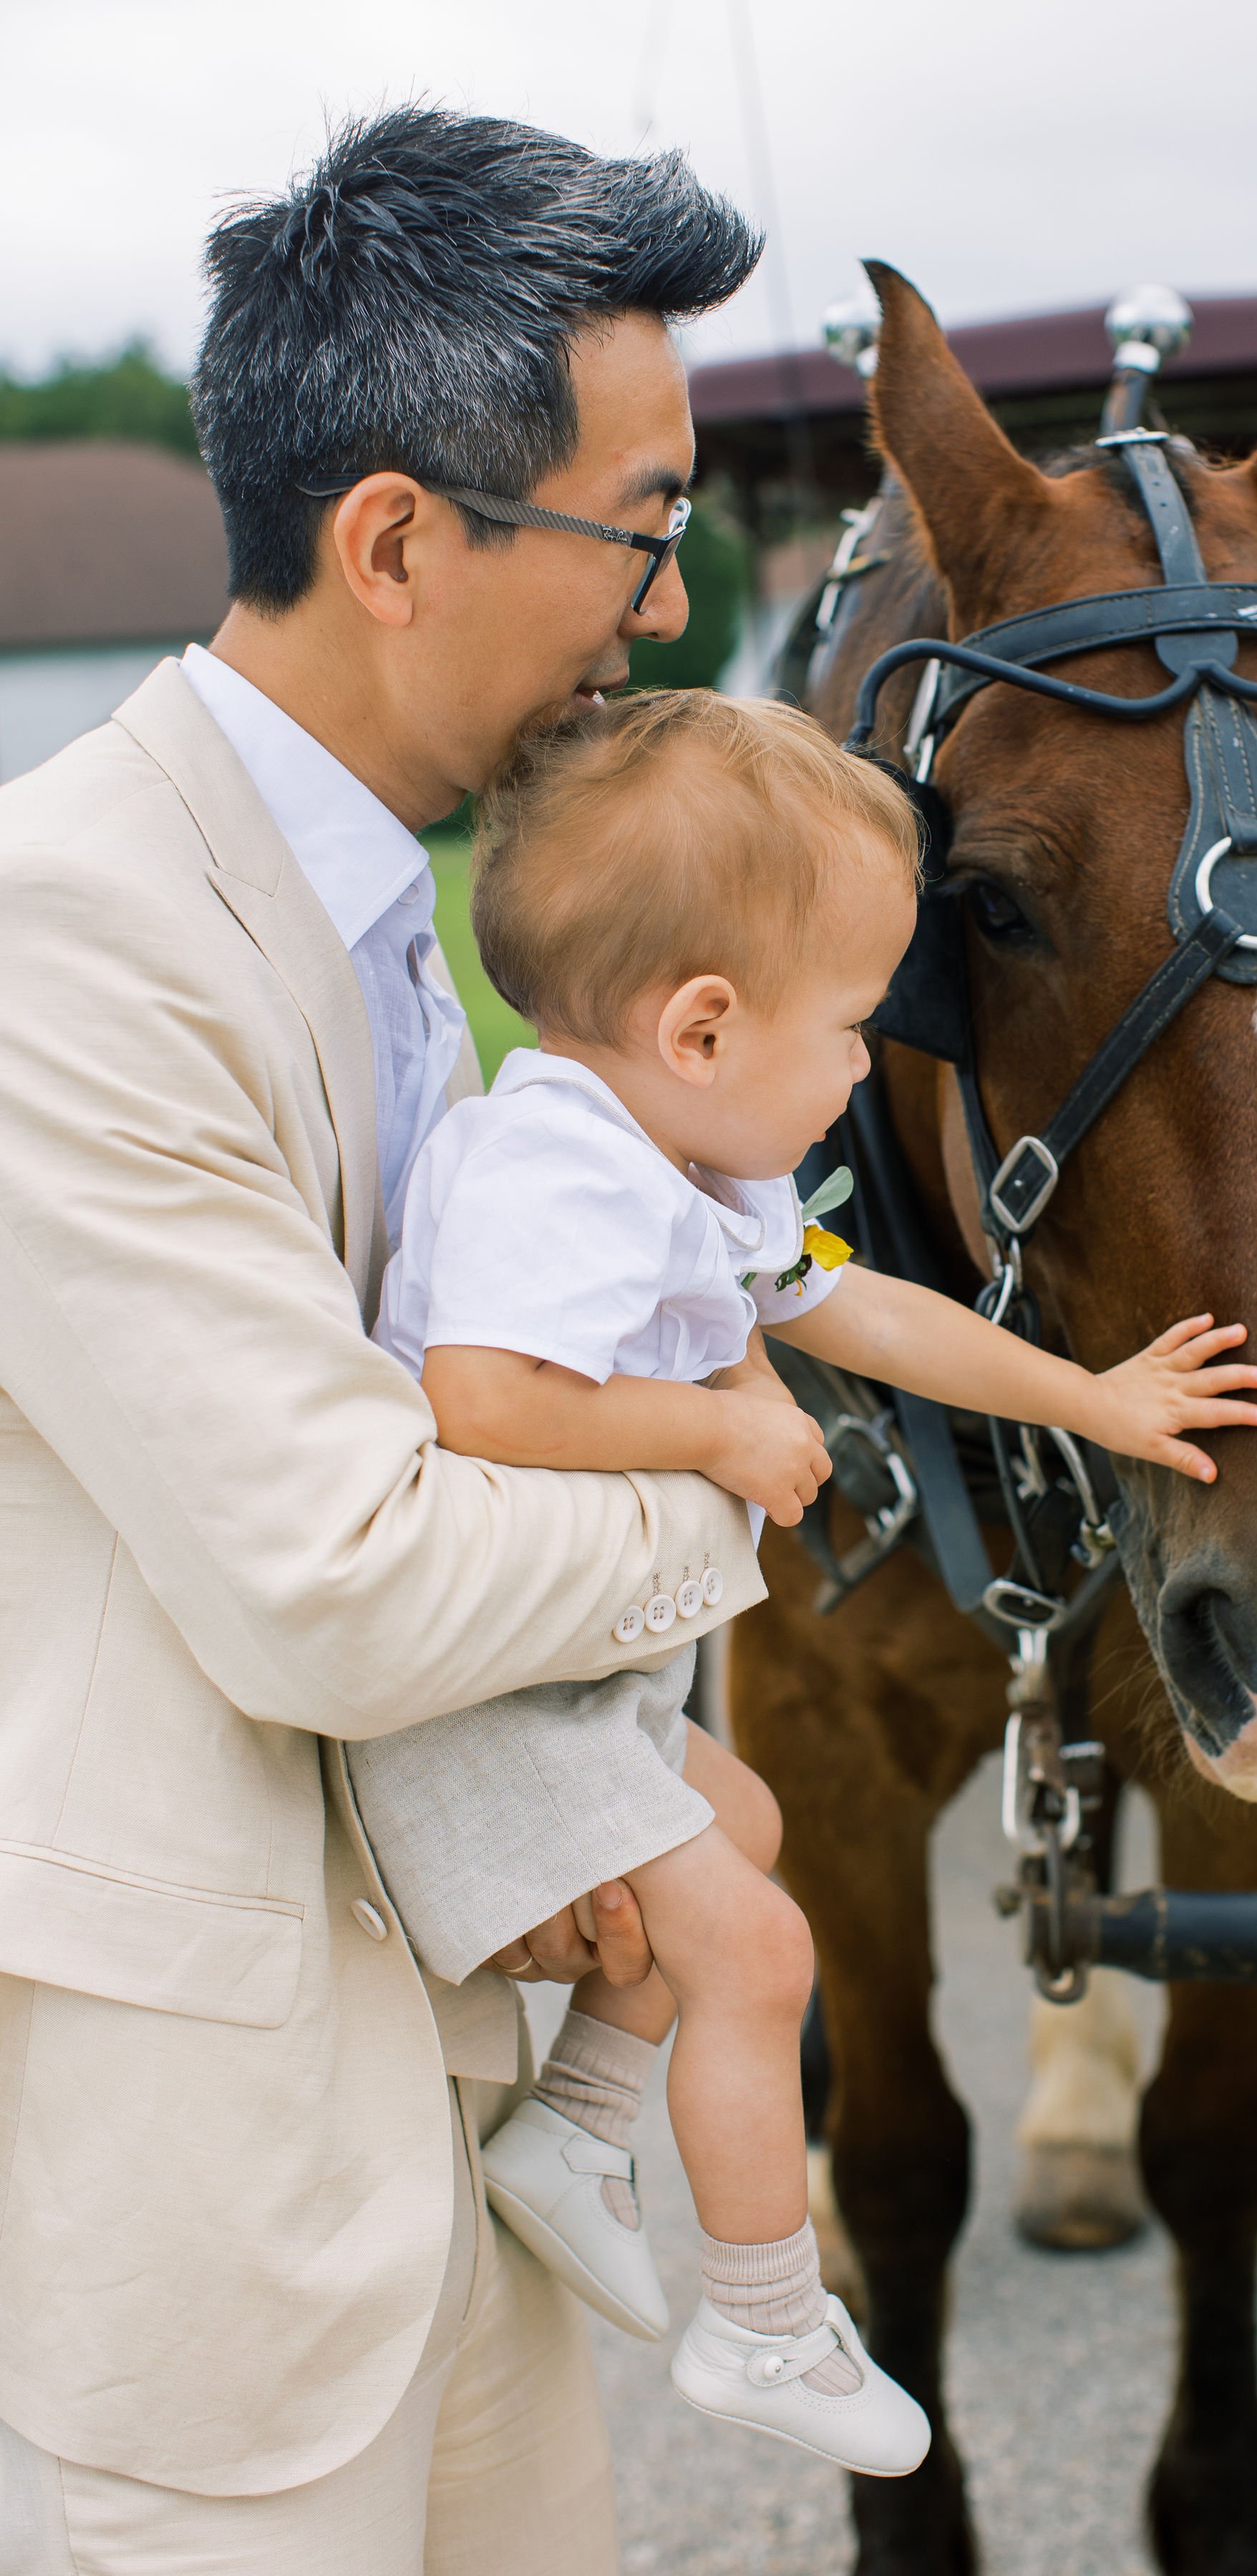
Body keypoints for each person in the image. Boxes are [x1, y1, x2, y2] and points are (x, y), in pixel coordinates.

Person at [0, 108, 766, 2576]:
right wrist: (732, 1468)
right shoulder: (70, 927)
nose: (665, 609)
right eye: (642, 531)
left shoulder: (400, 918)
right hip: (215, 2183)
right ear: (402, 539)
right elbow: (329, 1567)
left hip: (467, 2084)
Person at [349, 690, 1257, 2477]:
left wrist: (1092, 1394)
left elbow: (865, 1311)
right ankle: (767, 2322)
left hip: (572, 1683)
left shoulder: (680, 1157)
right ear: (701, 1027)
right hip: (480, 1698)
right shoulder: (560, 1172)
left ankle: (579, 2125)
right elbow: (481, 1400)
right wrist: (710, 1435)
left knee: (754, 1831)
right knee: (766, 1955)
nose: (867, 1067)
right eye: (853, 1026)